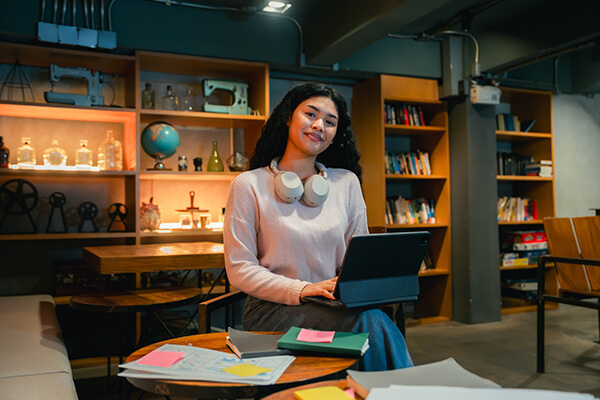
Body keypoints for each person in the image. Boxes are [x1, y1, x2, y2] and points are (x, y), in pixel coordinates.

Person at [223, 81, 413, 371]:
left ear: (336, 133)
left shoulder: (346, 183)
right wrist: (303, 289)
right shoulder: (248, 185)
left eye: (330, 121)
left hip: (335, 304)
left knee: (372, 318)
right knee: (369, 323)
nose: (319, 125)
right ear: (288, 117)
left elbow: (358, 258)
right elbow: (239, 269)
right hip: (272, 308)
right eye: (310, 114)